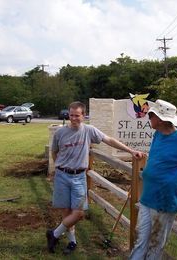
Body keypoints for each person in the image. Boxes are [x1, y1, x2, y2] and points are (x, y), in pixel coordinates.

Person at [46, 101, 145, 254]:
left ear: (83, 116)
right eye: (71, 115)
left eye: (77, 115)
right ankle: (72, 242)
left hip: (78, 177)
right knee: (66, 212)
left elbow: (109, 140)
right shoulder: (60, 133)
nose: (73, 118)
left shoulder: (89, 130)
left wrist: (131, 151)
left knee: (78, 213)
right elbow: (54, 152)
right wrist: (60, 166)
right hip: (62, 176)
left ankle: (54, 234)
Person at [130, 99, 177, 260]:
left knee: (156, 243)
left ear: (161, 118)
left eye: (151, 115)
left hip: (164, 200)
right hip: (148, 197)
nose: (148, 117)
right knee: (141, 238)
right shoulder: (158, 134)